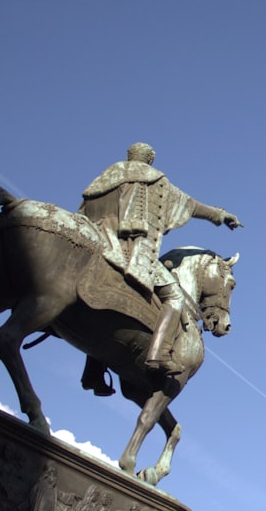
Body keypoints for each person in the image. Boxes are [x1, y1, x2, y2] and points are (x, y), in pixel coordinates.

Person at [79, 142, 241, 394]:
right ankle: (158, 355)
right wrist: (222, 215)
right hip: (128, 249)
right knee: (175, 297)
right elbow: (192, 205)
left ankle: (93, 371)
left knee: (105, 308)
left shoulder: (104, 178)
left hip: (94, 241)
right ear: (149, 161)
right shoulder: (154, 180)